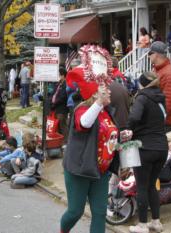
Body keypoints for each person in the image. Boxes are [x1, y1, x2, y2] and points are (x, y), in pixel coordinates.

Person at [60, 64, 119, 233]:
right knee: (75, 212)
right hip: (79, 169)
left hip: (100, 171)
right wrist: (99, 102)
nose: (109, 91)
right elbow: (84, 124)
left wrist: (122, 136)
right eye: (105, 89)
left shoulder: (107, 111)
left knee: (100, 213)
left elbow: (108, 134)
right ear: (95, 93)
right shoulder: (82, 109)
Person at [126, 72, 168, 233]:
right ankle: (156, 222)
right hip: (162, 147)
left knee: (142, 186)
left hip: (145, 148)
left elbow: (135, 117)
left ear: (141, 84)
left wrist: (127, 129)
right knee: (152, 184)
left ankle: (142, 225)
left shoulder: (142, 97)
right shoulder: (161, 97)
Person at [148, 41, 171, 126]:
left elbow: (168, 105)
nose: (148, 55)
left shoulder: (169, 74)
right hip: (155, 121)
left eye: (150, 53)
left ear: (156, 54)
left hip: (163, 124)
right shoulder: (158, 70)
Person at [51, 67, 69, 142]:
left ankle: (66, 141)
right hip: (56, 108)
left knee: (62, 125)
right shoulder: (58, 84)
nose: (58, 76)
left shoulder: (66, 84)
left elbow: (63, 97)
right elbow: (54, 93)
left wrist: (55, 103)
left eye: (59, 75)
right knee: (57, 125)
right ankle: (60, 140)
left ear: (63, 75)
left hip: (62, 108)